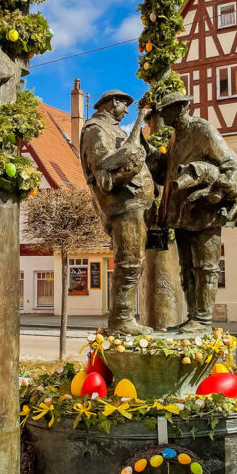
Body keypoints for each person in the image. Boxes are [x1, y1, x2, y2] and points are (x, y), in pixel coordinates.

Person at [156, 93, 237, 333]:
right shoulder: (175, 136)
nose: (163, 114)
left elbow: (232, 165)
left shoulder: (202, 130)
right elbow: (168, 172)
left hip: (204, 213)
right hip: (182, 215)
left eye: (167, 109)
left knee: (206, 267)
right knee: (187, 268)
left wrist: (217, 193)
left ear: (182, 108)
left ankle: (203, 320)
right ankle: (192, 318)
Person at [80, 91, 155, 335]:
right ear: (114, 103)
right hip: (123, 207)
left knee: (134, 262)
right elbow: (105, 174)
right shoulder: (96, 130)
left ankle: (123, 319)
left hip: (134, 205)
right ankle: (121, 321)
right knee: (129, 262)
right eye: (124, 105)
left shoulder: (114, 130)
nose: (126, 111)